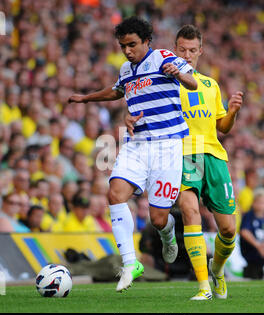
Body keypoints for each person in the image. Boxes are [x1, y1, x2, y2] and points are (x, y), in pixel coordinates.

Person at [68, 16, 197, 292]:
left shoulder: (162, 57)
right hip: (137, 144)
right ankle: (130, 263)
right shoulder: (127, 70)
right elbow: (116, 92)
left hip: (168, 146)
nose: (127, 51)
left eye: (132, 45)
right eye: (123, 46)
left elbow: (193, 84)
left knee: (158, 218)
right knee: (114, 193)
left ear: (146, 41)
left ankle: (167, 233)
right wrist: (86, 98)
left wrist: (179, 75)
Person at [126, 24, 243, 300]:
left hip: (213, 157)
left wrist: (234, 112)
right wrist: (128, 118)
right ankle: (203, 287)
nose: (187, 55)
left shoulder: (210, 85)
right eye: (182, 50)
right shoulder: (164, 80)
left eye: (192, 50)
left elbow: (222, 128)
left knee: (228, 229)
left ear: (200, 51)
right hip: (179, 154)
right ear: (174, 50)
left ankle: (218, 269)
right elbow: (136, 106)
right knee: (190, 212)